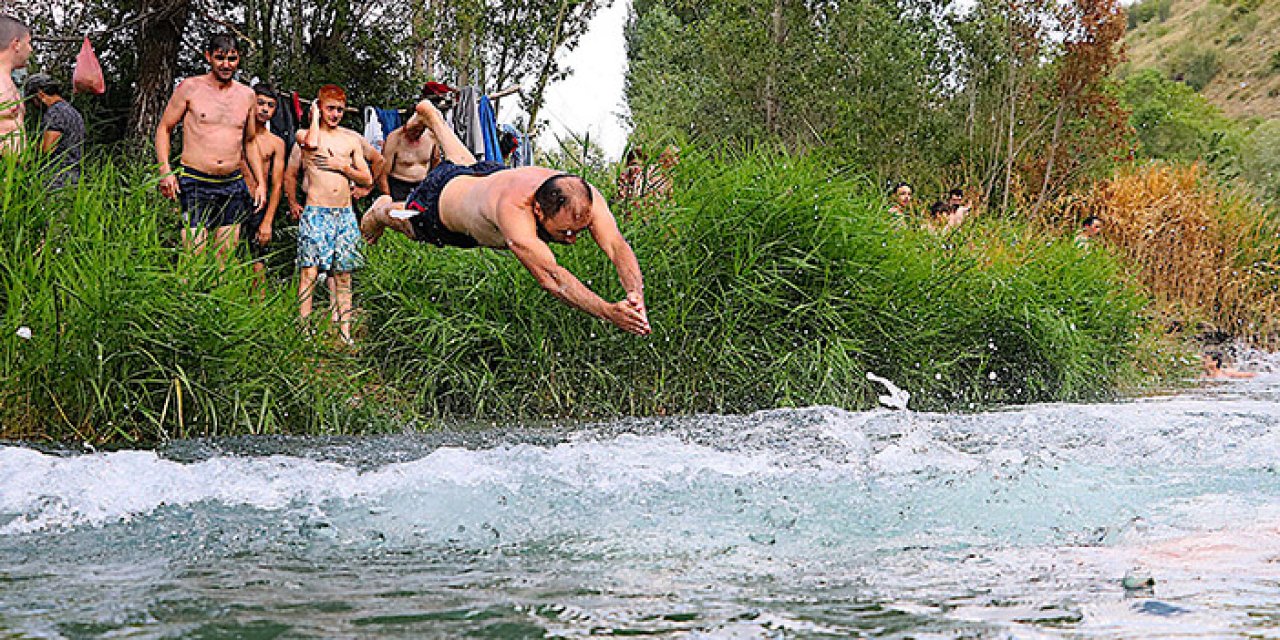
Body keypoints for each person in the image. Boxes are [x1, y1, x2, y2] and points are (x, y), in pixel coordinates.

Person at [361, 99, 650, 336]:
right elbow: (554, 280)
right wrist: (609, 312)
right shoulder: (514, 212)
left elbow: (616, 245)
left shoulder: (584, 197)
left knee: (470, 166)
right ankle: (381, 210)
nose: (573, 239)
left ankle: (432, 118)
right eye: (565, 233)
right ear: (537, 210)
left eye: (580, 230)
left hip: (489, 176)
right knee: (408, 222)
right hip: (442, 202)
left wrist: (635, 296)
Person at [155, 33, 265, 263]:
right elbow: (164, 128)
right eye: (220, 58)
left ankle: (216, 298)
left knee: (224, 258)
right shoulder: (190, 88)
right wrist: (165, 171)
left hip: (231, 184)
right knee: (193, 256)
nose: (226, 65)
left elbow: (250, 141)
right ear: (208, 57)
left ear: (239, 59)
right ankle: (187, 299)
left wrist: (260, 182)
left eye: (232, 59)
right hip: (195, 181)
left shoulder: (247, 95)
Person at [283, 85, 371, 344]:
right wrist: (313, 117)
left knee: (343, 274)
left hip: (344, 213)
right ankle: (304, 329)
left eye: (340, 110)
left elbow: (367, 177)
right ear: (319, 107)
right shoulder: (305, 134)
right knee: (309, 271)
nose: (335, 114)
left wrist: (343, 167)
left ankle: (344, 331)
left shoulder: (350, 139)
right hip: (316, 211)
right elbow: (310, 144)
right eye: (330, 108)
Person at [240, 83, 286, 280]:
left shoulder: (276, 143)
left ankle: (258, 306)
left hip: (257, 205)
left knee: (257, 260)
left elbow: (277, 185)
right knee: (224, 251)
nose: (265, 109)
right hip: (230, 197)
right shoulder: (236, 132)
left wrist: (267, 221)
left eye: (270, 105)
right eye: (260, 103)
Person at [23, 74, 84, 189]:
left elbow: (47, 148)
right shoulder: (74, 112)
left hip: (56, 180)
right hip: (74, 178)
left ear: (40, 94)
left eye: (33, 101)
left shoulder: (54, 113)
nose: (34, 105)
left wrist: (28, 153)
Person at [378, 111, 440, 201]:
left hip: (423, 185)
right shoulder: (394, 139)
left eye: (420, 130)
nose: (416, 133)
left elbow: (436, 162)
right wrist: (388, 197)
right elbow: (383, 173)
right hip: (399, 187)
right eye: (413, 130)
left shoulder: (431, 137)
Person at [0, 15, 32, 155]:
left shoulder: (9, 82)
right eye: (29, 43)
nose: (30, 49)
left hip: (14, 172)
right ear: (17, 44)